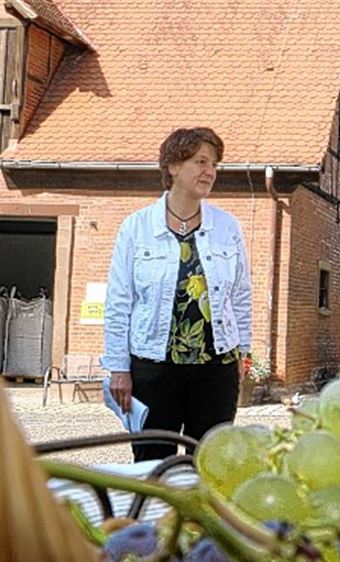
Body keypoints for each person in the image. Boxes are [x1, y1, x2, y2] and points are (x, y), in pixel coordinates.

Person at [102, 127, 253, 461]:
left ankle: (202, 515)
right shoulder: (136, 228)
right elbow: (118, 302)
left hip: (216, 370)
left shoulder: (227, 228)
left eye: (214, 164)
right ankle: (155, 515)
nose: (209, 171)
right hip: (153, 370)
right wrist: (118, 368)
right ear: (172, 166)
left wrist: (244, 353)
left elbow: (241, 296)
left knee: (211, 461)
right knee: (153, 462)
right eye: (200, 161)